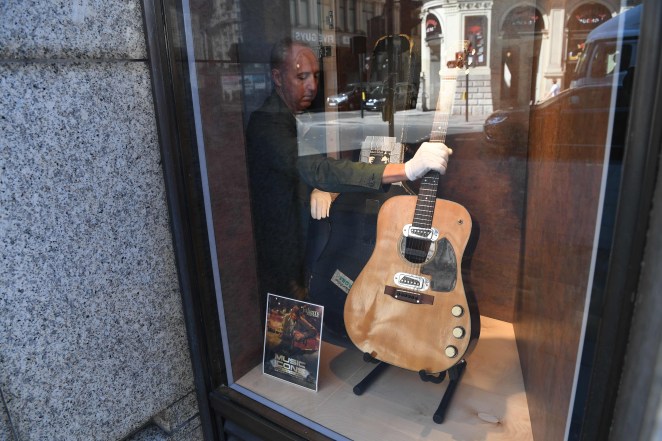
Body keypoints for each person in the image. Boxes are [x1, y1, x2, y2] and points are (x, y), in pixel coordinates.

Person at [246, 37, 452, 300]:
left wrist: (315, 187)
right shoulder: (267, 124)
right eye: (301, 77)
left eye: (315, 76)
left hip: (304, 240)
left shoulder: (296, 115)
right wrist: (409, 169)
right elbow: (318, 169)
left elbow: (305, 170)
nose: (312, 86)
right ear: (277, 77)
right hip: (284, 251)